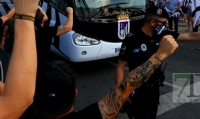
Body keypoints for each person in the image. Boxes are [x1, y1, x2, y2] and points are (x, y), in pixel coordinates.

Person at [28, 34, 177, 119]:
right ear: (75, 93)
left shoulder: (14, 110)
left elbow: (126, 88)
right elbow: (127, 86)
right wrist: (160, 54)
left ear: (34, 95)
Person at [115, 5, 200, 119]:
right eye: (163, 23)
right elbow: (120, 67)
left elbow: (189, 36)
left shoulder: (161, 34)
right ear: (152, 22)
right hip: (137, 90)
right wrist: (120, 97)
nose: (164, 26)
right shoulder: (132, 39)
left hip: (154, 88)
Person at [0, 0, 43, 118]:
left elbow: (4, 25)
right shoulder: (38, 28)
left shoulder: (9, 22)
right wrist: (25, 14)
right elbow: (18, 101)